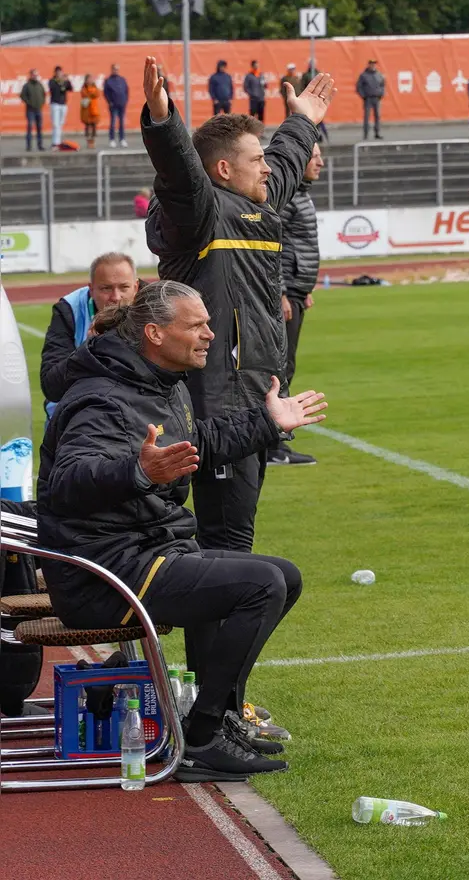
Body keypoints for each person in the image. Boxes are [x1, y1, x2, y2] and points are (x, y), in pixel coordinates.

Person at [36, 280, 326, 781]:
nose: (211, 335)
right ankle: (201, 735)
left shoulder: (156, 382)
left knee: (285, 576)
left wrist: (268, 422)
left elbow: (196, 443)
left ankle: (221, 722)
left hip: (146, 550)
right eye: (197, 325)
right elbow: (67, 483)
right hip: (105, 572)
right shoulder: (101, 397)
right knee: (261, 586)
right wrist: (139, 471)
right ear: (154, 333)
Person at [139, 55, 329, 554]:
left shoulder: (256, 205)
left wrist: (303, 120)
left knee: (230, 544)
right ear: (223, 170)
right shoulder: (200, 213)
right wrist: (163, 122)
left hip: (253, 401)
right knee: (227, 547)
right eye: (255, 159)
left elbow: (286, 162)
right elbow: (181, 176)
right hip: (216, 406)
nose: (268, 167)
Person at [39, 252, 141, 416]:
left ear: (136, 288)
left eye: (124, 287)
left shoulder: (153, 306)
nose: (115, 297)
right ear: (91, 289)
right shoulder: (69, 310)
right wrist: (88, 350)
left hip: (135, 416)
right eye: (106, 288)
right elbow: (51, 387)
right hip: (75, 419)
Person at [273, 143, 322, 467]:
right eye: (314, 156)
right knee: (279, 370)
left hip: (295, 292)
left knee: (285, 367)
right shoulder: (288, 196)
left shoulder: (299, 194)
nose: (320, 162)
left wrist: (302, 289)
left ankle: (276, 444)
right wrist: (280, 292)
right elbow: (271, 244)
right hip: (285, 295)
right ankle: (274, 446)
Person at [357, 59, 385, 140]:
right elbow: (359, 87)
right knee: (367, 117)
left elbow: (382, 85)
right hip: (368, 98)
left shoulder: (379, 74)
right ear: (368, 65)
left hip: (377, 98)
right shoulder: (364, 75)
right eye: (371, 64)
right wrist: (363, 96)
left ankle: (377, 132)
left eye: (374, 64)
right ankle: (366, 134)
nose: (373, 65)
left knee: (377, 116)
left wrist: (381, 94)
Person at [104, 64, 129, 148]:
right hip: (113, 105)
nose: (116, 70)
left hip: (122, 104)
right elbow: (105, 93)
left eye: (117, 69)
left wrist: (125, 100)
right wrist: (109, 101)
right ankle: (112, 140)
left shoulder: (122, 80)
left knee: (122, 122)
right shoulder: (108, 80)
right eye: (114, 69)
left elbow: (126, 91)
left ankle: (122, 139)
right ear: (112, 69)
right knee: (113, 122)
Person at [48, 67, 74, 149]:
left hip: (63, 104)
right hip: (55, 104)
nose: (59, 74)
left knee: (61, 123)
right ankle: (55, 143)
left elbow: (70, 89)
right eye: (58, 73)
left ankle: (58, 141)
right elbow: (53, 88)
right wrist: (59, 82)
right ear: (55, 73)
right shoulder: (52, 81)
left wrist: (67, 81)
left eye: (61, 72)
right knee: (56, 124)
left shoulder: (64, 81)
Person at [21, 69, 46, 152]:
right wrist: (29, 103)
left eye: (36, 75)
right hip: (30, 110)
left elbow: (43, 94)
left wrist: (42, 103)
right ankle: (28, 146)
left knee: (39, 128)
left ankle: (40, 145)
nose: (35, 76)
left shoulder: (39, 85)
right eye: (34, 75)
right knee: (30, 127)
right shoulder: (27, 85)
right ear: (31, 75)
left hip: (38, 109)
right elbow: (23, 96)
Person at [79, 75, 102, 149]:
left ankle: (93, 142)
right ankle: (88, 142)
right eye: (88, 79)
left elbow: (97, 94)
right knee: (88, 127)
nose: (90, 81)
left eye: (91, 79)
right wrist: (91, 94)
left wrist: (91, 94)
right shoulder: (84, 88)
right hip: (86, 111)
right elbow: (84, 94)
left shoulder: (95, 88)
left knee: (94, 127)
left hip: (94, 111)